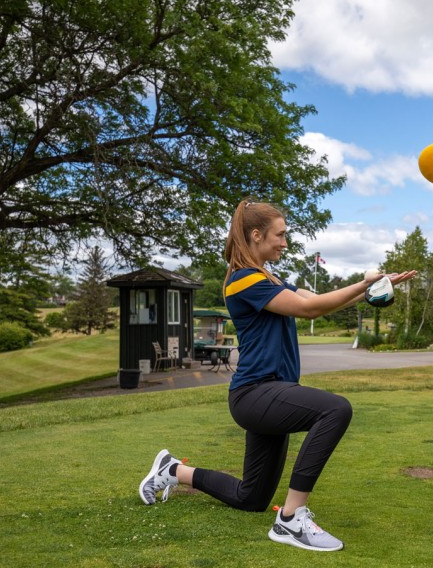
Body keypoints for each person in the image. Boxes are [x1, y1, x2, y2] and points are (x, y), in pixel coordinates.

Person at [139, 199, 417, 552]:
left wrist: (370, 286)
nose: (285, 243)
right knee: (335, 409)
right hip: (254, 394)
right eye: (280, 235)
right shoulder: (243, 281)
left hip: (272, 394)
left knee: (251, 497)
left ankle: (172, 469)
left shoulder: (270, 278)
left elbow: (316, 299)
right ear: (256, 235)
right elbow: (308, 308)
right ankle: (290, 519)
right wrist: (364, 287)